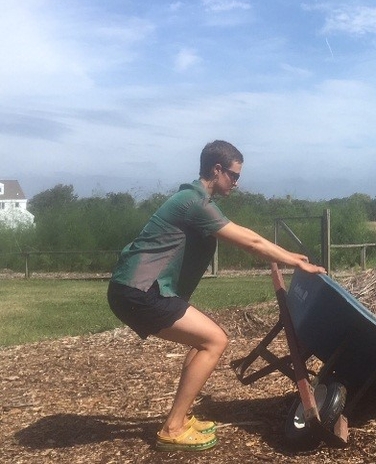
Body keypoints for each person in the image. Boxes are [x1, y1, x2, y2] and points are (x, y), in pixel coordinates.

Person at [107, 140, 326, 451]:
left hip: (140, 289)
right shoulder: (193, 203)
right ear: (217, 169)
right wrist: (294, 259)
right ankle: (172, 428)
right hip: (139, 291)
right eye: (234, 176)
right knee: (216, 340)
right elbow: (250, 241)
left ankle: (179, 419)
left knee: (204, 340)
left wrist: (286, 255)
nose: (236, 183)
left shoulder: (196, 200)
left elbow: (250, 237)